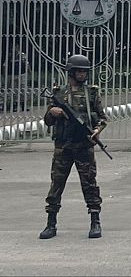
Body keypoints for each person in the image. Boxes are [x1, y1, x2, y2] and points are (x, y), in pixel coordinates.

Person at [39, 54, 108, 240]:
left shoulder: (91, 93)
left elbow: (102, 118)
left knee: (89, 184)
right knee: (57, 183)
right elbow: (47, 121)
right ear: (71, 72)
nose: (83, 74)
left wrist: (97, 130)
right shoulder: (59, 93)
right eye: (79, 71)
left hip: (84, 146)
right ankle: (51, 223)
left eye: (85, 71)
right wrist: (52, 112)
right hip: (63, 146)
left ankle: (95, 221)